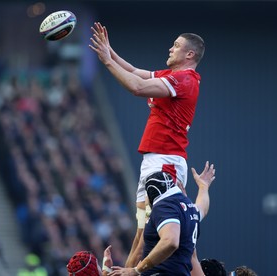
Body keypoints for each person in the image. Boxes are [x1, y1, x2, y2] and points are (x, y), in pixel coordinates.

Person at [89, 22, 206, 271]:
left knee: (158, 236)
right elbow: (134, 71)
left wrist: (108, 62)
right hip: (155, 160)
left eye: (176, 45)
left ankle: (141, 271)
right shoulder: (172, 76)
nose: (170, 48)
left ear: (190, 54)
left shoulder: (185, 80)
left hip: (166, 163)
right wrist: (110, 53)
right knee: (142, 233)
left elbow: (137, 87)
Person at [105, 160, 215, 275]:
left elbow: (170, 241)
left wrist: (136, 270)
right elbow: (202, 208)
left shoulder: (164, 206)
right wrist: (203, 187)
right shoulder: (188, 206)